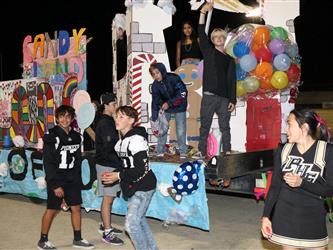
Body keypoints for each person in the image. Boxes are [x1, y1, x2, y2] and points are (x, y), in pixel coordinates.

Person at [261, 108, 333, 249]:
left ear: (304, 127)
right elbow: (275, 186)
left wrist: (302, 183)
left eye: (289, 124)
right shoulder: (283, 150)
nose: (286, 129)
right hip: (285, 217)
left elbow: (330, 190)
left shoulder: (326, 151)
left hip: (313, 218)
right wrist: (266, 216)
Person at [38, 105, 94, 250]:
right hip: (57, 177)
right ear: (57, 118)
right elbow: (48, 162)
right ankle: (43, 240)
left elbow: (77, 161)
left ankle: (77, 238)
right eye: (62, 116)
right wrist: (55, 184)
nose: (65, 119)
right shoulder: (52, 136)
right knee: (52, 208)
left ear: (72, 119)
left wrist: (77, 180)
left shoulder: (76, 136)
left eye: (68, 116)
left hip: (72, 178)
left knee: (76, 207)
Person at [102, 105, 158, 250]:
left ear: (132, 120)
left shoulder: (137, 140)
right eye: (116, 116)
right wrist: (113, 173)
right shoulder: (120, 143)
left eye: (121, 117)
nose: (117, 119)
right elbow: (126, 165)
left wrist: (118, 175)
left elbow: (141, 168)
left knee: (131, 224)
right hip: (133, 185)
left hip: (144, 185)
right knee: (139, 221)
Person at [197, 3, 236, 160]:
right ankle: (202, 153)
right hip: (209, 96)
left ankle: (227, 152)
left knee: (225, 127)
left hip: (224, 98)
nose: (219, 38)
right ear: (212, 40)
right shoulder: (208, 52)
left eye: (221, 36)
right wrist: (202, 12)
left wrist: (232, 99)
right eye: (216, 37)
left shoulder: (230, 60)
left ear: (224, 39)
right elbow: (201, 31)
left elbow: (232, 80)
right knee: (205, 126)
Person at [95, 92, 124, 245]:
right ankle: (107, 232)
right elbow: (108, 148)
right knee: (108, 199)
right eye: (113, 104)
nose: (115, 106)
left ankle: (105, 225)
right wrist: (120, 162)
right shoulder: (105, 122)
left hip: (108, 163)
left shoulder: (107, 120)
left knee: (109, 198)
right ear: (106, 106)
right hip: (107, 165)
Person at [149, 62, 188, 159]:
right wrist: (154, 119)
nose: (156, 76)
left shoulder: (173, 78)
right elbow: (155, 102)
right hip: (165, 108)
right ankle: (160, 151)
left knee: (180, 130)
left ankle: (183, 151)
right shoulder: (155, 86)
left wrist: (169, 103)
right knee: (162, 129)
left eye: (157, 73)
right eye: (153, 74)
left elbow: (183, 92)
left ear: (162, 70)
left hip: (180, 106)